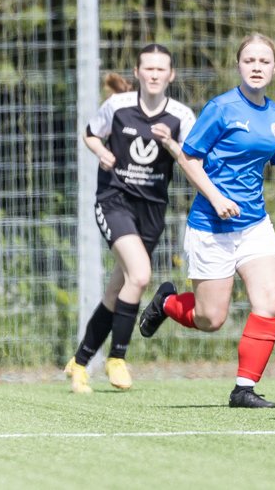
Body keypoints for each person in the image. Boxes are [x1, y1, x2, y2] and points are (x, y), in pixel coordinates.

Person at [138, 34, 275, 408]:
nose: (257, 67)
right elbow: (189, 158)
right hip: (211, 226)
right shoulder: (221, 108)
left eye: (264, 61)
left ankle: (244, 389)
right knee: (211, 318)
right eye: (249, 61)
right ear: (239, 66)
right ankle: (166, 304)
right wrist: (216, 197)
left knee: (269, 301)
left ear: (274, 68)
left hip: (255, 225)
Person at [64, 44, 196, 394]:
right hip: (114, 201)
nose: (154, 74)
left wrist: (173, 147)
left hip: (151, 210)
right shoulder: (118, 107)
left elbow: (193, 160)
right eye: (148, 69)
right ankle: (117, 357)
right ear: (137, 73)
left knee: (117, 289)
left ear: (171, 75)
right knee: (140, 274)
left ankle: (78, 363)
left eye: (161, 69)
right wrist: (102, 152)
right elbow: (90, 133)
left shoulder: (181, 117)